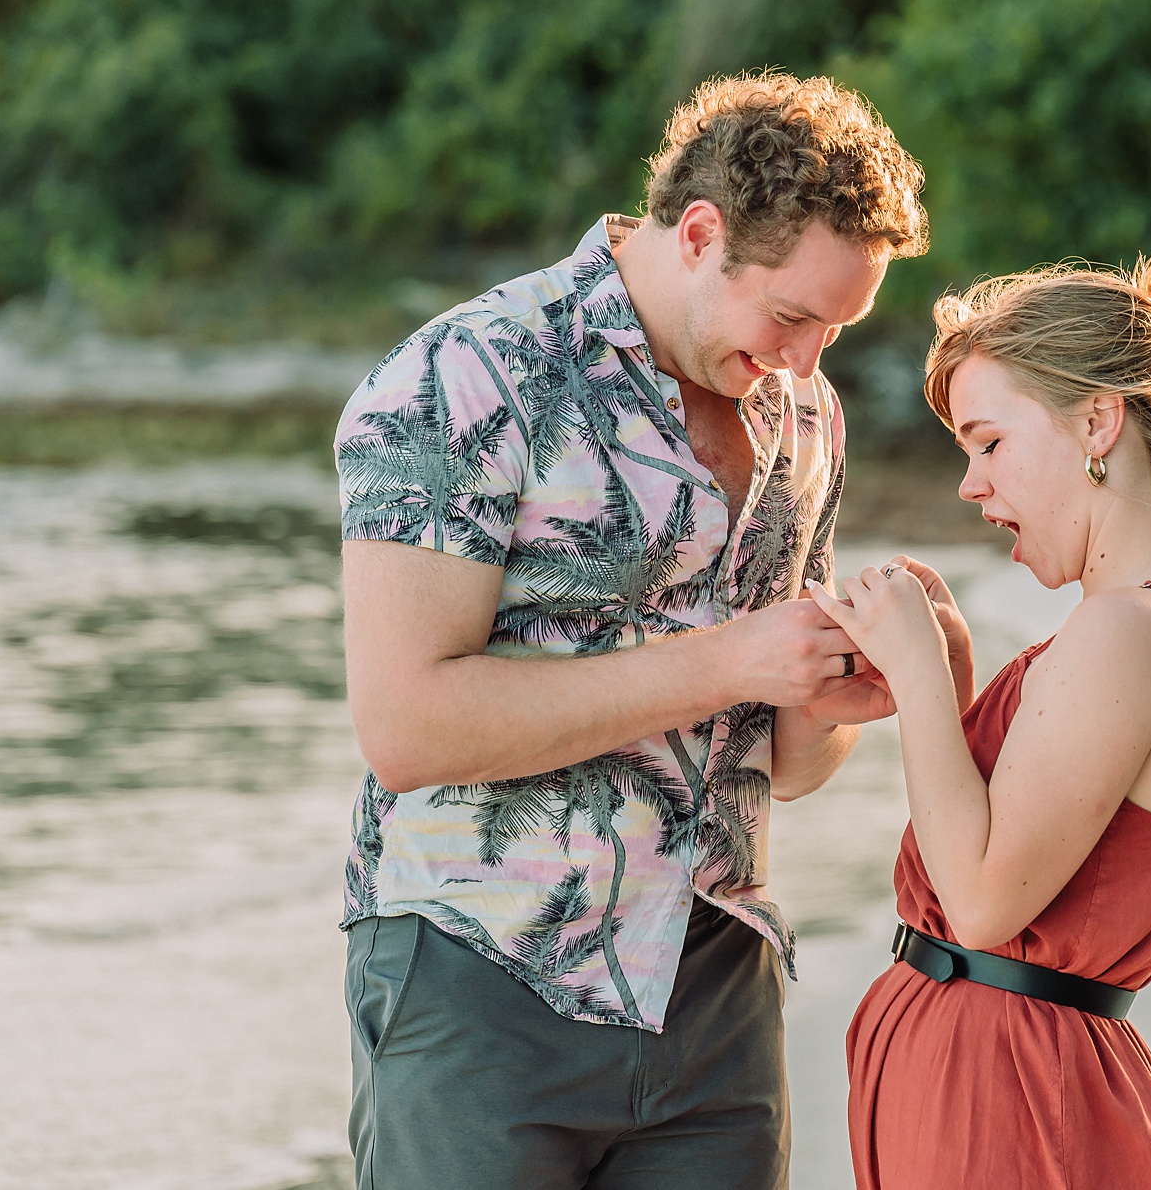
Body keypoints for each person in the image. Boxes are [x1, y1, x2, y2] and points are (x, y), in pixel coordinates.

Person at [334, 72, 926, 1189]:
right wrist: (729, 660)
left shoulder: (804, 414)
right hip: (482, 973)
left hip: (717, 988)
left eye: (836, 329)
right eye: (792, 317)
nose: (809, 361)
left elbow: (786, 765)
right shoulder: (467, 374)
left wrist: (833, 698)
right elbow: (407, 727)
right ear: (700, 235)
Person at [811, 256, 1151, 1190]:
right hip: (1008, 1079)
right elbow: (1035, 856)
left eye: (989, 443)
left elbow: (983, 904)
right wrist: (951, 685)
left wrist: (917, 675)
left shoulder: (1132, 629)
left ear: (1098, 422)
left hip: (1005, 1099)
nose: (971, 485)